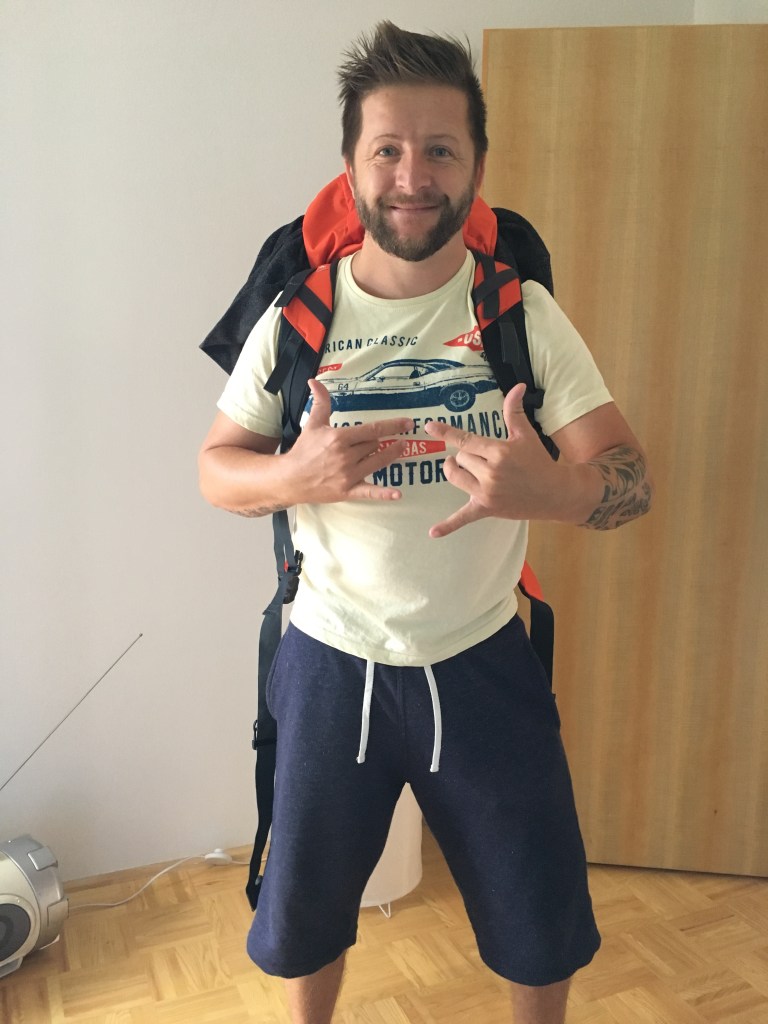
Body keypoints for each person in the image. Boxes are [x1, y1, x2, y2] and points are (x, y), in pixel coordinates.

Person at [198, 21, 652, 1024]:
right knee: (306, 919)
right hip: (329, 664)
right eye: (388, 150)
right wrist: (294, 474)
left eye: (440, 149)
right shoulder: (296, 319)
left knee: (539, 919)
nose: (413, 177)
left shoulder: (520, 314)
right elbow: (215, 469)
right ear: (351, 167)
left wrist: (554, 492)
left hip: (484, 662)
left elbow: (630, 474)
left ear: (477, 166)